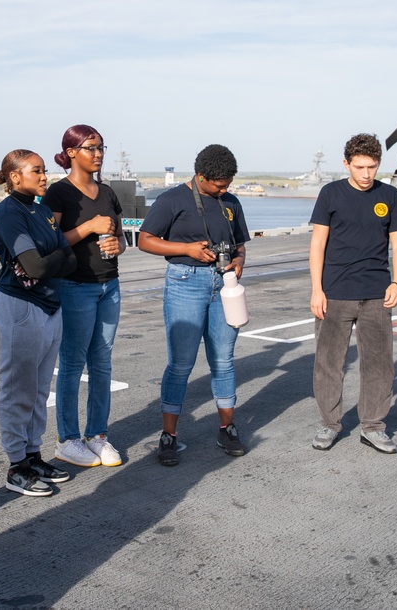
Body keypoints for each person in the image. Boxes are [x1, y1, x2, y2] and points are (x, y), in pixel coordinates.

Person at [138, 144, 250, 467]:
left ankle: (227, 428)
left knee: (223, 360)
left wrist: (239, 262)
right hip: (186, 281)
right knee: (181, 363)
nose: (223, 189)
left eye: (228, 183)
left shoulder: (231, 202)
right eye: (218, 184)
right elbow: (145, 239)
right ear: (200, 176)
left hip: (223, 284)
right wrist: (186, 249)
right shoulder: (172, 199)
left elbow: (240, 245)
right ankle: (168, 435)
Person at [308, 133, 397, 454]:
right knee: (328, 363)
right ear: (346, 164)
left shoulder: (390, 196)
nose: (366, 174)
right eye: (360, 167)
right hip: (334, 293)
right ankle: (329, 424)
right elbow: (317, 244)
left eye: (372, 167)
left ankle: (374, 426)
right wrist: (316, 289)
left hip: (377, 295)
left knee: (379, 364)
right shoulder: (330, 194)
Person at [0, 149, 77, 496]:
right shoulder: (9, 212)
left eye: (44, 170)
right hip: (20, 306)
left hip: (50, 305)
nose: (44, 176)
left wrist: (49, 259)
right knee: (17, 389)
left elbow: (65, 261)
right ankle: (16, 465)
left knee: (40, 390)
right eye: (36, 171)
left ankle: (33, 454)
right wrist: (52, 258)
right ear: (15, 177)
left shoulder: (41, 211)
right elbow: (40, 266)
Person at [44, 124, 125, 468]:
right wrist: (89, 229)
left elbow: (121, 238)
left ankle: (98, 435)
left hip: (110, 285)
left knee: (102, 362)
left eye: (101, 147)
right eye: (91, 148)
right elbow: (50, 243)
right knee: (73, 364)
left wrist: (116, 245)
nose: (98, 154)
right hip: (75, 286)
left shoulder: (107, 192)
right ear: (72, 152)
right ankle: (68, 439)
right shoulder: (58, 194)